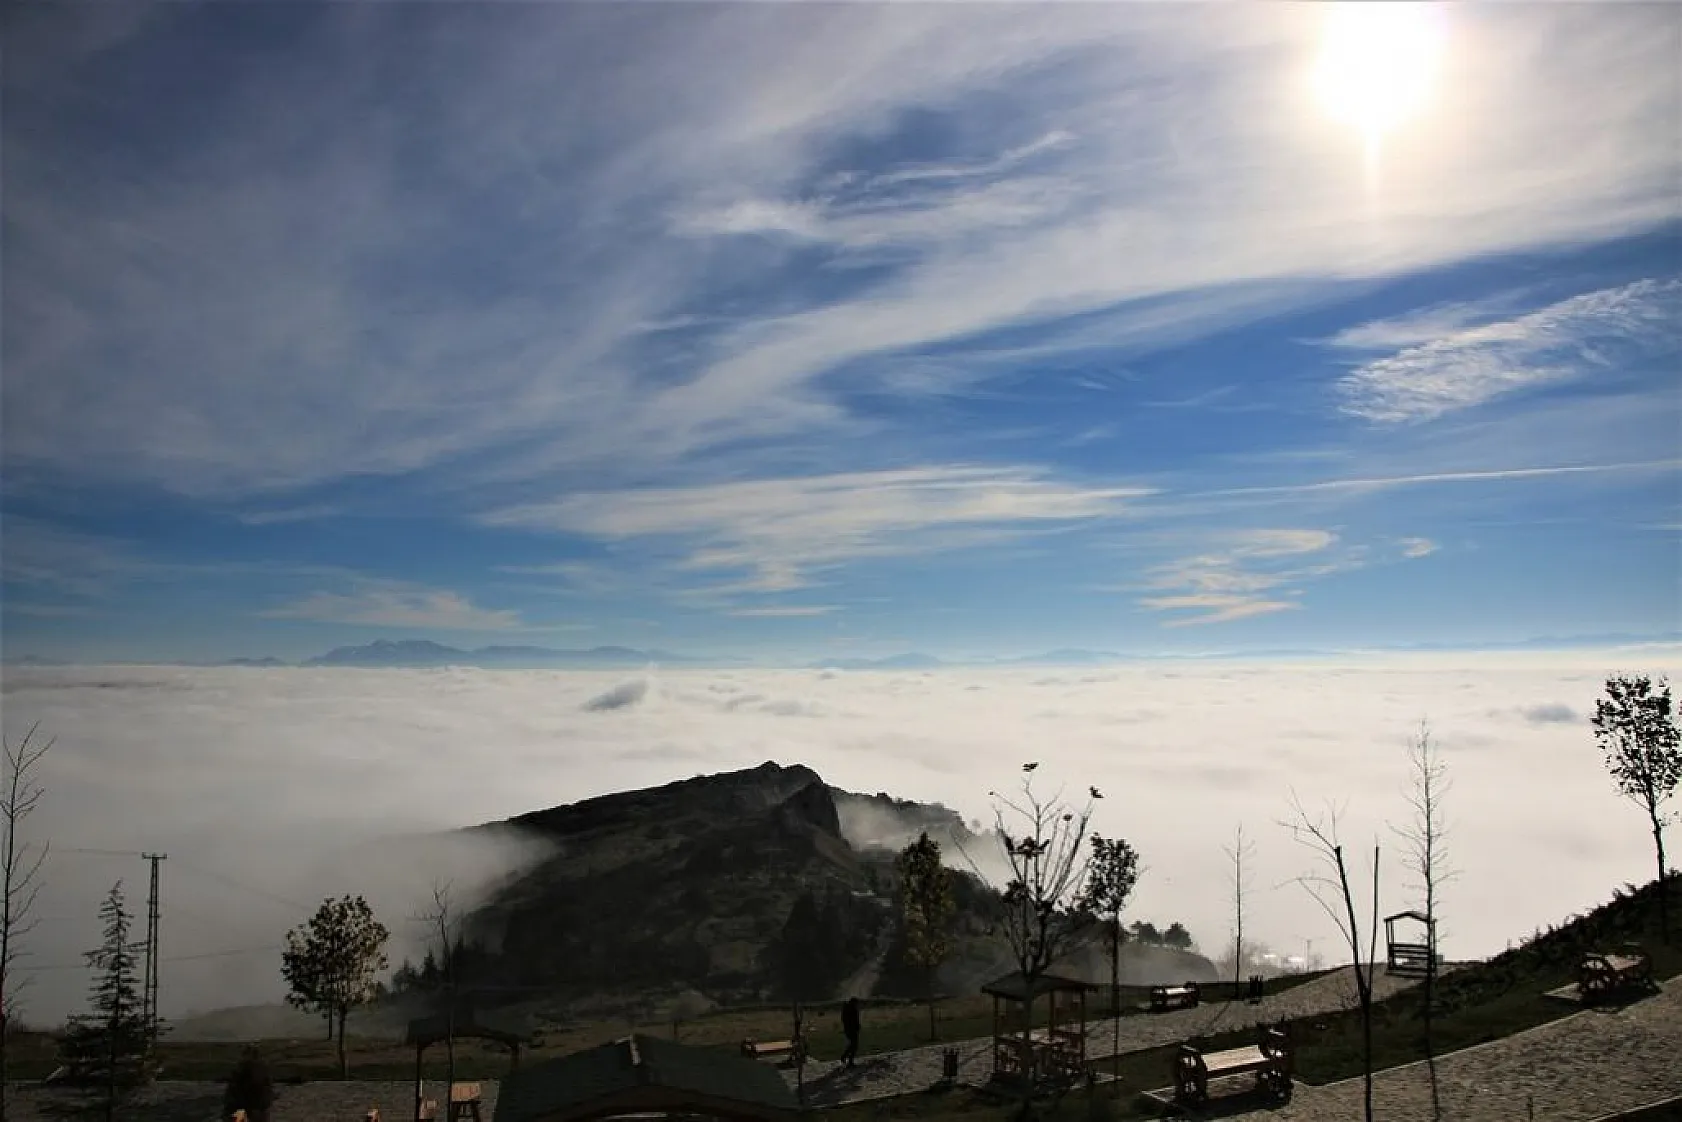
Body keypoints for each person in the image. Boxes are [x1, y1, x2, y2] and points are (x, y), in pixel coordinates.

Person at [839, 997, 861, 1069]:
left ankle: (845, 1057)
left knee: (852, 1045)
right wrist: (856, 1026)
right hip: (852, 1030)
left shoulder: (847, 1009)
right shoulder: (852, 1009)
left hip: (848, 1029)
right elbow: (854, 1020)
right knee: (854, 1045)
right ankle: (849, 1061)